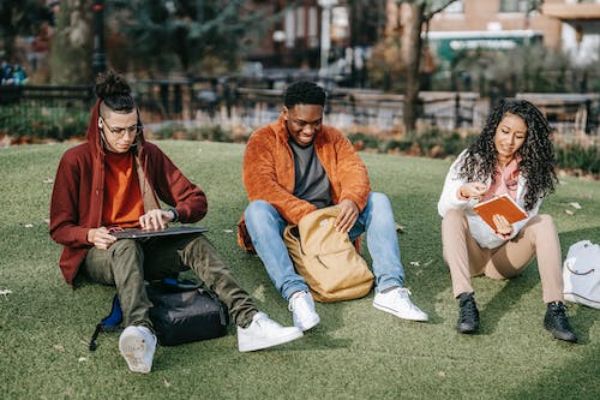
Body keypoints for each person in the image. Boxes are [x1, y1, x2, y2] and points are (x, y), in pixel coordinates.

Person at [49, 71, 303, 374]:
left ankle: (250, 322)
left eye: (133, 128)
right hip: (102, 252)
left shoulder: (148, 154)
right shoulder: (75, 160)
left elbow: (196, 200)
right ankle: (140, 333)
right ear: (100, 124)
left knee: (194, 242)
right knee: (125, 247)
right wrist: (90, 234)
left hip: (147, 245)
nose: (126, 138)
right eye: (117, 130)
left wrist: (171, 214)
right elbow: (60, 227)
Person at [238, 81, 428, 332]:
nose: (309, 130)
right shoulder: (262, 139)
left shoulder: (334, 137)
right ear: (285, 113)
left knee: (378, 200)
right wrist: (310, 217)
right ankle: (297, 295)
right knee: (256, 211)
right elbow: (261, 187)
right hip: (291, 228)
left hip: (333, 225)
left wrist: (351, 199)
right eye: (301, 123)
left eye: (316, 122)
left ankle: (390, 289)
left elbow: (354, 171)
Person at [437, 99, 577, 342]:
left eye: (519, 136)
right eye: (505, 131)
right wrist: (463, 192)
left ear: (528, 139)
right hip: (469, 256)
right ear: (494, 128)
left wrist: (510, 229)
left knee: (544, 221)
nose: (509, 141)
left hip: (503, 260)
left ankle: (555, 308)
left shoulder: (534, 171)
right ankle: (466, 302)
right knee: (452, 215)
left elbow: (528, 216)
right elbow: (443, 207)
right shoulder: (470, 158)